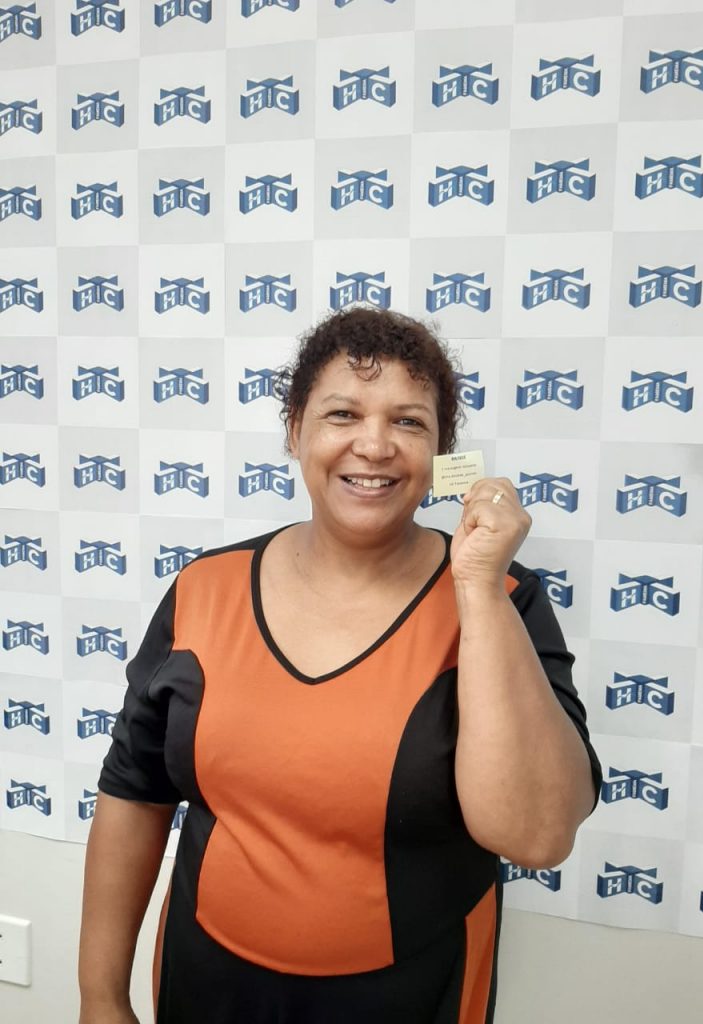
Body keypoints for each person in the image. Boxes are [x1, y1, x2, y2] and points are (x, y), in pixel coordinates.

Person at [79, 306, 602, 1024]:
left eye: (409, 422)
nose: (375, 444)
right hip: (204, 988)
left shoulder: (503, 599)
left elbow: (536, 836)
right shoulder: (204, 590)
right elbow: (134, 793)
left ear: (442, 452)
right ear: (296, 430)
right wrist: (101, 996)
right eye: (342, 414)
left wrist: (477, 587)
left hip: (417, 996)